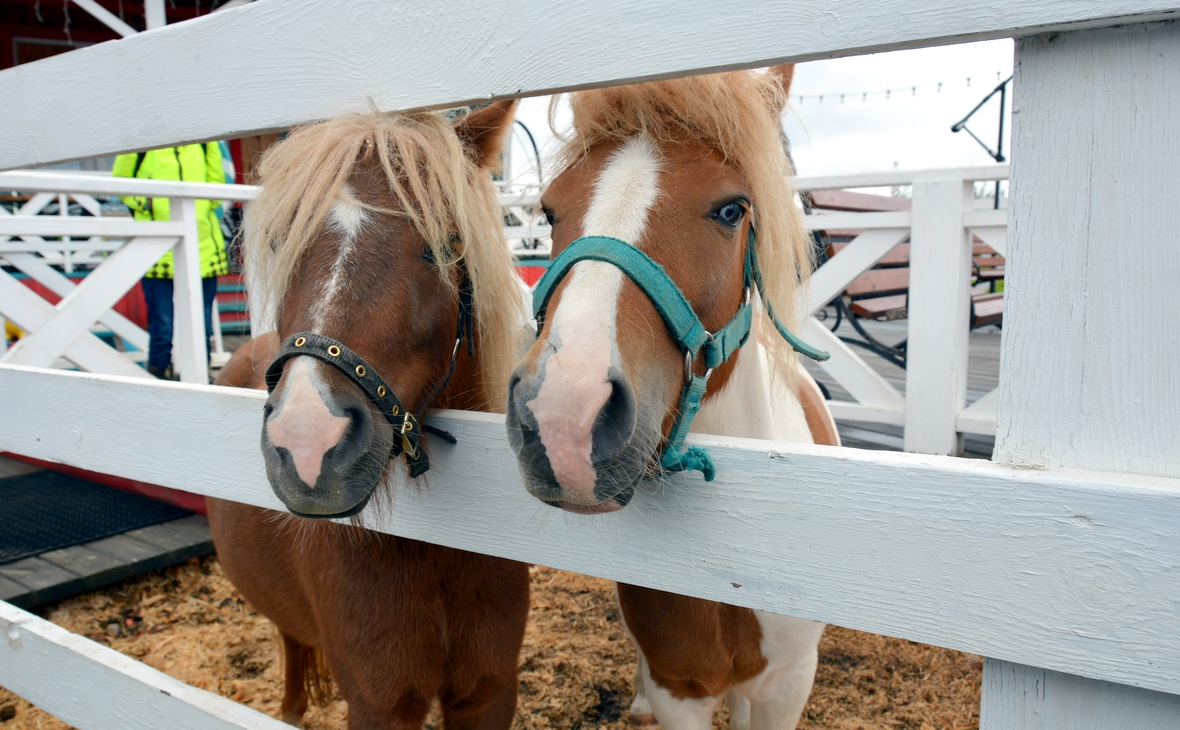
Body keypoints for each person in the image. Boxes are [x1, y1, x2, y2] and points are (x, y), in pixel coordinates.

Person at [112, 143, 231, 380]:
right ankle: (159, 377)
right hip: (158, 247)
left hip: (202, 245)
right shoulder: (142, 143)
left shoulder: (205, 141)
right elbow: (121, 182)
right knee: (162, 325)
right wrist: (148, 204)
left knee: (202, 323)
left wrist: (204, 206)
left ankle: (200, 376)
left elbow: (218, 182)